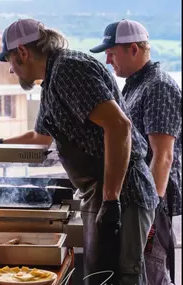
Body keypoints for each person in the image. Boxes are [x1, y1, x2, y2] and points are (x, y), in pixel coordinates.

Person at [0, 19, 159, 284]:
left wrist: (111, 201)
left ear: (23, 52)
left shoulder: (69, 69)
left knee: (122, 277)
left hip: (124, 194)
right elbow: (38, 138)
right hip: (101, 193)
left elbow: (119, 125)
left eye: (10, 62)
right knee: (99, 275)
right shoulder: (51, 80)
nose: (11, 71)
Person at [90, 19, 182, 285]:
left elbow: (163, 156)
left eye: (111, 53)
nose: (108, 61)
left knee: (151, 273)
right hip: (139, 201)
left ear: (133, 49)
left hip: (152, 204)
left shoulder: (159, 86)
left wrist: (148, 216)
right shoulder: (134, 83)